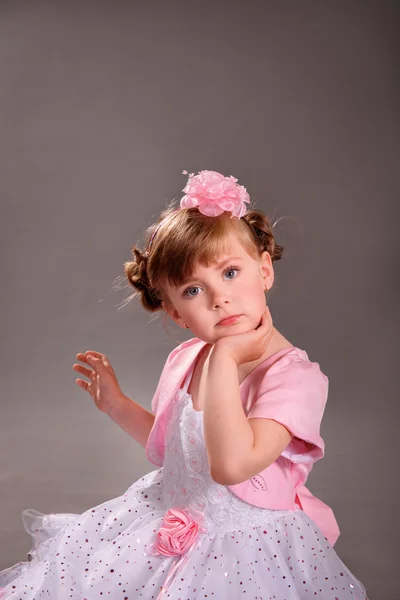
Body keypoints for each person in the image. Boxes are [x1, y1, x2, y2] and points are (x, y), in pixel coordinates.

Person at [0, 170, 369, 599]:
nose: (219, 298)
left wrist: (226, 360)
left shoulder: (294, 378)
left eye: (230, 273)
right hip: (168, 514)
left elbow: (232, 466)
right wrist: (118, 406)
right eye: (193, 290)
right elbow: (175, 449)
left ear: (264, 269)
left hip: (245, 546)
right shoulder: (187, 358)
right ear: (176, 313)